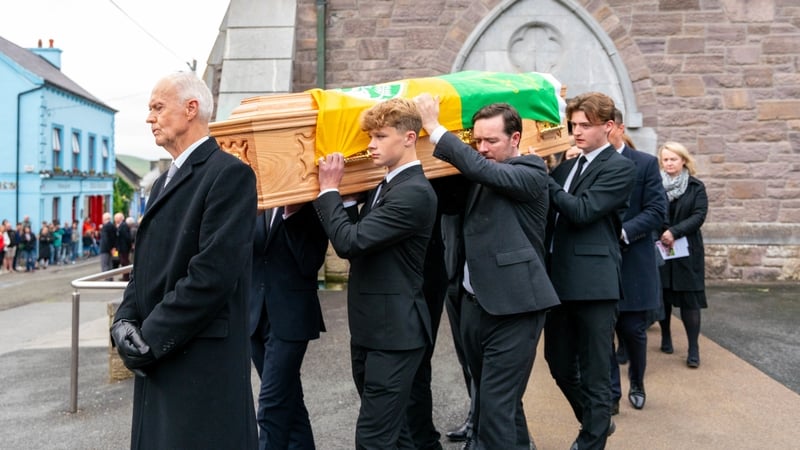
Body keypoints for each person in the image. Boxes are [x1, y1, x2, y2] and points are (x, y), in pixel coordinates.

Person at [111, 71, 258, 449]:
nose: (149, 118)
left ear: (191, 109)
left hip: (198, 360)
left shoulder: (230, 175)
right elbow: (143, 268)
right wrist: (125, 321)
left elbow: (211, 275)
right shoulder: (162, 181)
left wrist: (151, 338)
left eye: (158, 107)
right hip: (163, 353)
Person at [415, 94, 560, 450]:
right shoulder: (479, 172)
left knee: (495, 409)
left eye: (490, 141)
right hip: (475, 304)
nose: (481, 148)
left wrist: (434, 128)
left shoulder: (531, 171)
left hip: (516, 307)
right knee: (496, 404)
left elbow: (485, 171)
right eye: (476, 141)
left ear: (515, 139)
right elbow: (443, 198)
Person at [313, 97, 437, 449]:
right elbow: (363, 244)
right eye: (370, 137)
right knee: (395, 436)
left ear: (410, 137)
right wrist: (349, 199)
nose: (370, 145)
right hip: (374, 330)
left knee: (373, 439)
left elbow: (349, 243)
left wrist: (330, 191)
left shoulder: (413, 192)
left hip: (395, 336)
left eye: (380, 136)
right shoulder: (387, 185)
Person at [544, 91, 635, 450]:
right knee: (558, 363)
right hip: (557, 280)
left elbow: (582, 211)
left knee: (597, 371)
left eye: (585, 125)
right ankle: (596, 421)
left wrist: (545, 180)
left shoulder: (619, 168)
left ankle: (591, 440)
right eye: (573, 125)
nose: (577, 131)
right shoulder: (566, 167)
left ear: (608, 127)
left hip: (595, 285)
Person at [249, 203, 328, 450]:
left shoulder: (310, 204)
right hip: (253, 316)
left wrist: (291, 214)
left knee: (271, 406)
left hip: (291, 316)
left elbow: (310, 263)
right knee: (290, 405)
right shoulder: (255, 200)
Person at [607, 108, 667, 413]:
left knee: (633, 330)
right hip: (599, 265)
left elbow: (658, 210)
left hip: (634, 260)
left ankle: (638, 381)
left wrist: (624, 232)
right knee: (603, 333)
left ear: (617, 128)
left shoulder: (644, 164)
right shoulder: (583, 164)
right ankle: (612, 394)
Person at [657, 141, 708, 368]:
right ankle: (665, 336)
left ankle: (693, 347)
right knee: (663, 296)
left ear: (683, 161)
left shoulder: (696, 187)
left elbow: (698, 215)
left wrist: (674, 232)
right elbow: (651, 210)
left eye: (673, 159)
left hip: (687, 250)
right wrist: (662, 233)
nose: (669, 163)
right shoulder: (655, 185)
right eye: (665, 159)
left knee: (690, 300)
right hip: (661, 248)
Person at [114, 212, 133, 281]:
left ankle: (126, 277)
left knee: (125, 263)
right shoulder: (121, 225)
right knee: (123, 263)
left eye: (116, 218)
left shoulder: (123, 226)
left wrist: (128, 247)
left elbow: (127, 237)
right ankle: (125, 276)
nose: (115, 220)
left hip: (124, 248)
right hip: (122, 248)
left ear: (119, 218)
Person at [99, 212, 116, 277]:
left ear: (104, 218)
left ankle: (107, 280)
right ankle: (110, 278)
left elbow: (106, 239)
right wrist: (113, 248)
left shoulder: (105, 227)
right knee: (110, 264)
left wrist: (109, 249)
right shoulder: (113, 226)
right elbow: (114, 238)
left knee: (105, 265)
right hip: (111, 249)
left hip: (105, 249)